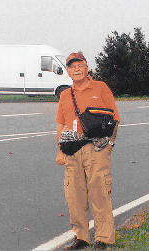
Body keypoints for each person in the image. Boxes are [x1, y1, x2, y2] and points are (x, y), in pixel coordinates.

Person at [55, 52, 120, 250]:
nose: (76, 69)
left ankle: (104, 239)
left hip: (96, 148)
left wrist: (110, 144)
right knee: (74, 195)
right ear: (68, 71)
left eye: (80, 65)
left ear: (87, 67)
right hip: (72, 149)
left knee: (100, 193)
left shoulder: (100, 88)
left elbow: (114, 118)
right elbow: (60, 124)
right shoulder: (66, 95)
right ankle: (81, 237)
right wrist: (60, 150)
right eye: (72, 66)